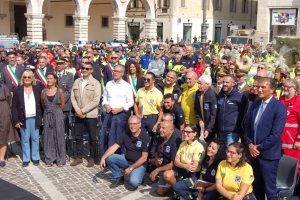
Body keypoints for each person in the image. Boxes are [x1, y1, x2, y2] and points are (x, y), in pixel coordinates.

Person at [245, 77, 287, 200]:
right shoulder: (256, 103)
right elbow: (248, 127)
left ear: (272, 89)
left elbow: (275, 134)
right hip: (254, 154)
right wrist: (250, 145)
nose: (259, 89)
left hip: (269, 155)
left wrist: (259, 147)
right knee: (257, 186)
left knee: (270, 190)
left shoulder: (279, 107)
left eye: (263, 87)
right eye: (258, 87)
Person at [100, 116, 150, 190]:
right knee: (109, 158)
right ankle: (119, 177)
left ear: (140, 124)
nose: (132, 126)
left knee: (134, 182)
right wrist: (103, 157)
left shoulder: (145, 137)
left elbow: (144, 158)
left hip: (139, 164)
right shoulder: (126, 134)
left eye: (135, 124)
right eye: (130, 124)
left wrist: (130, 168)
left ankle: (140, 176)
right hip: (127, 160)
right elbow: (114, 147)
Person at [70, 62, 101, 167]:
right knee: (78, 136)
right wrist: (78, 110)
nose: (84, 70)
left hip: (90, 114)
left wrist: (83, 111)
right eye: (83, 68)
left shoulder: (96, 83)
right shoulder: (77, 81)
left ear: (91, 70)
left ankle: (92, 157)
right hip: (78, 114)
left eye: (87, 68)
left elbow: (96, 100)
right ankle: (79, 156)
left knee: (92, 137)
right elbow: (72, 97)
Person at [100, 65, 134, 155]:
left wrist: (121, 109)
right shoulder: (109, 84)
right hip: (109, 113)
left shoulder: (126, 86)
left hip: (120, 114)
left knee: (117, 136)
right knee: (106, 134)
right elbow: (104, 97)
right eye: (114, 71)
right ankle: (106, 155)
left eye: (118, 71)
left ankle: (117, 156)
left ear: (122, 73)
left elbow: (130, 102)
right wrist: (106, 105)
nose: (115, 73)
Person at [12, 70, 42, 167]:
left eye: (29, 77)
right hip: (23, 118)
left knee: (35, 138)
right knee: (25, 139)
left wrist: (43, 116)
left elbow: (42, 104)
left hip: (35, 117)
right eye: (25, 77)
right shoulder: (17, 90)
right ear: (22, 78)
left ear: (32, 78)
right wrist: (16, 120)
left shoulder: (38, 89)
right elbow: (14, 106)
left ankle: (35, 157)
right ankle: (26, 158)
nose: (27, 79)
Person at [168, 124, 205, 200]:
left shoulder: (198, 147)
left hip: (194, 175)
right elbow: (175, 162)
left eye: (188, 132)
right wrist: (185, 166)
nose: (185, 134)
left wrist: (181, 163)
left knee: (176, 187)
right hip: (183, 172)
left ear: (195, 133)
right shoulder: (182, 144)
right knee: (168, 175)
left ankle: (189, 196)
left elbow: (193, 168)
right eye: (184, 131)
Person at [149, 121, 182, 196]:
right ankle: (171, 183)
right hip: (165, 167)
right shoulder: (161, 137)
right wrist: (157, 159)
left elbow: (173, 165)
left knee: (167, 175)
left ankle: (179, 190)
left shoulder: (175, 142)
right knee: (160, 192)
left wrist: (157, 170)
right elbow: (156, 152)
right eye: (160, 128)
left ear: (171, 130)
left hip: (175, 169)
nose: (160, 130)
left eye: (163, 128)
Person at [41, 73, 65, 167]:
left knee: (59, 135)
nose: (49, 80)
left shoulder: (60, 91)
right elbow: (43, 104)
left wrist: (56, 111)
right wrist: (49, 111)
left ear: (55, 80)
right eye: (48, 78)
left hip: (57, 114)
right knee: (48, 136)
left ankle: (60, 159)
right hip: (47, 115)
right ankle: (50, 158)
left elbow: (62, 104)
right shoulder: (43, 91)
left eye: (51, 78)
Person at [217, 74, 247, 146]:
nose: (224, 84)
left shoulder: (240, 97)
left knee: (230, 153)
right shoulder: (220, 95)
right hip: (221, 130)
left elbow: (243, 113)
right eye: (223, 82)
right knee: (222, 153)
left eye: (227, 82)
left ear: (233, 83)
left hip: (232, 132)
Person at [279, 78, 300, 170]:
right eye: (284, 86)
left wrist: (298, 140)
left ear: (294, 89)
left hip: (292, 142)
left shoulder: (298, 102)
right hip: (279, 141)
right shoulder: (281, 100)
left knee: (292, 167)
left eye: (288, 87)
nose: (285, 88)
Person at [0, 83, 19, 167]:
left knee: (4, 136)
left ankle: (1, 158)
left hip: (4, 114)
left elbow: (10, 102)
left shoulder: (4, 87)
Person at [195, 75, 218, 142]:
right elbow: (196, 108)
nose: (198, 86)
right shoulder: (198, 93)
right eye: (198, 83)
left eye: (200, 84)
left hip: (212, 126)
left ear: (207, 84)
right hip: (203, 124)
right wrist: (199, 119)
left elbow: (213, 114)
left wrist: (208, 129)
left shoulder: (212, 95)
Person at [55, 59, 74, 138]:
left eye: (61, 63)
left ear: (64, 65)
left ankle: (66, 147)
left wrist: (60, 101)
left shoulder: (69, 75)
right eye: (57, 63)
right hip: (54, 105)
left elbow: (69, 91)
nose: (59, 65)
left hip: (64, 105)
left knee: (65, 128)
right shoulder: (52, 75)